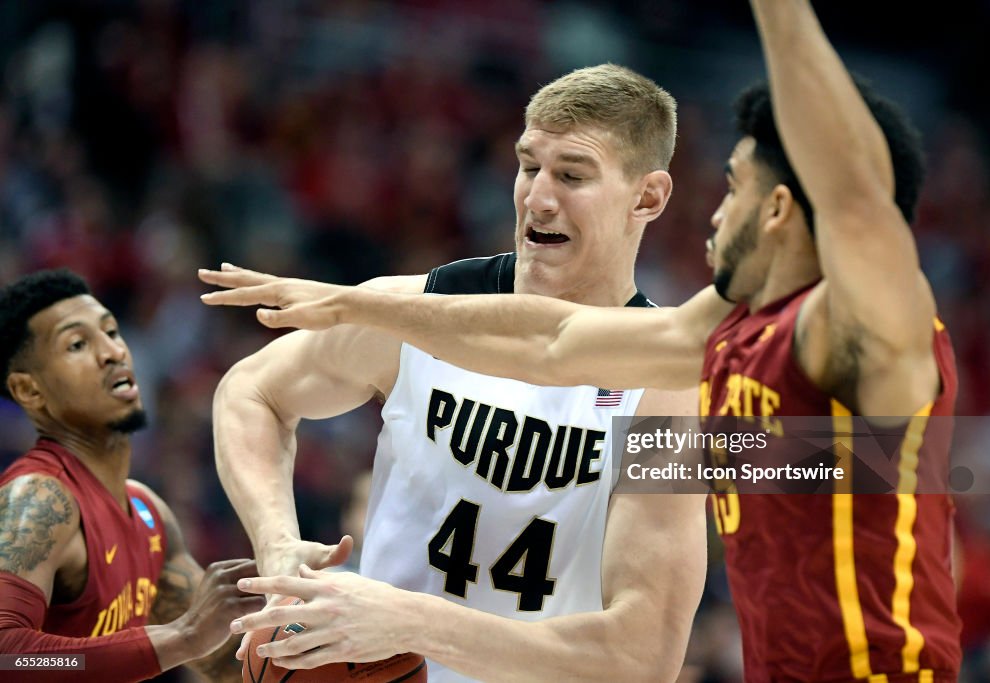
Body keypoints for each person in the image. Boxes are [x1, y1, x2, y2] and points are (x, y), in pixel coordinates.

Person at [200, 2, 962, 681]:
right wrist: (361, 307)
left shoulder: (858, 330)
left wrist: (781, 12)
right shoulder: (713, 338)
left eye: (732, 186)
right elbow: (555, 341)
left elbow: (640, 656)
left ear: (783, 209)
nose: (714, 209)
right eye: (528, 166)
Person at [200, 64, 708, 682]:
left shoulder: (664, 384)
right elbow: (249, 390)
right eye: (528, 166)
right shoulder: (421, 310)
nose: (538, 197)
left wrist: (412, 622)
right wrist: (277, 543)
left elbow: (641, 657)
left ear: (647, 197)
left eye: (573, 175)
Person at [0, 269, 264, 683]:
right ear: (30, 391)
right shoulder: (38, 498)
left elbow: (228, 659)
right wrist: (185, 636)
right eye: (77, 344)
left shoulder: (146, 509)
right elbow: (7, 659)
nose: (112, 352)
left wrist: (328, 611)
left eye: (111, 331)